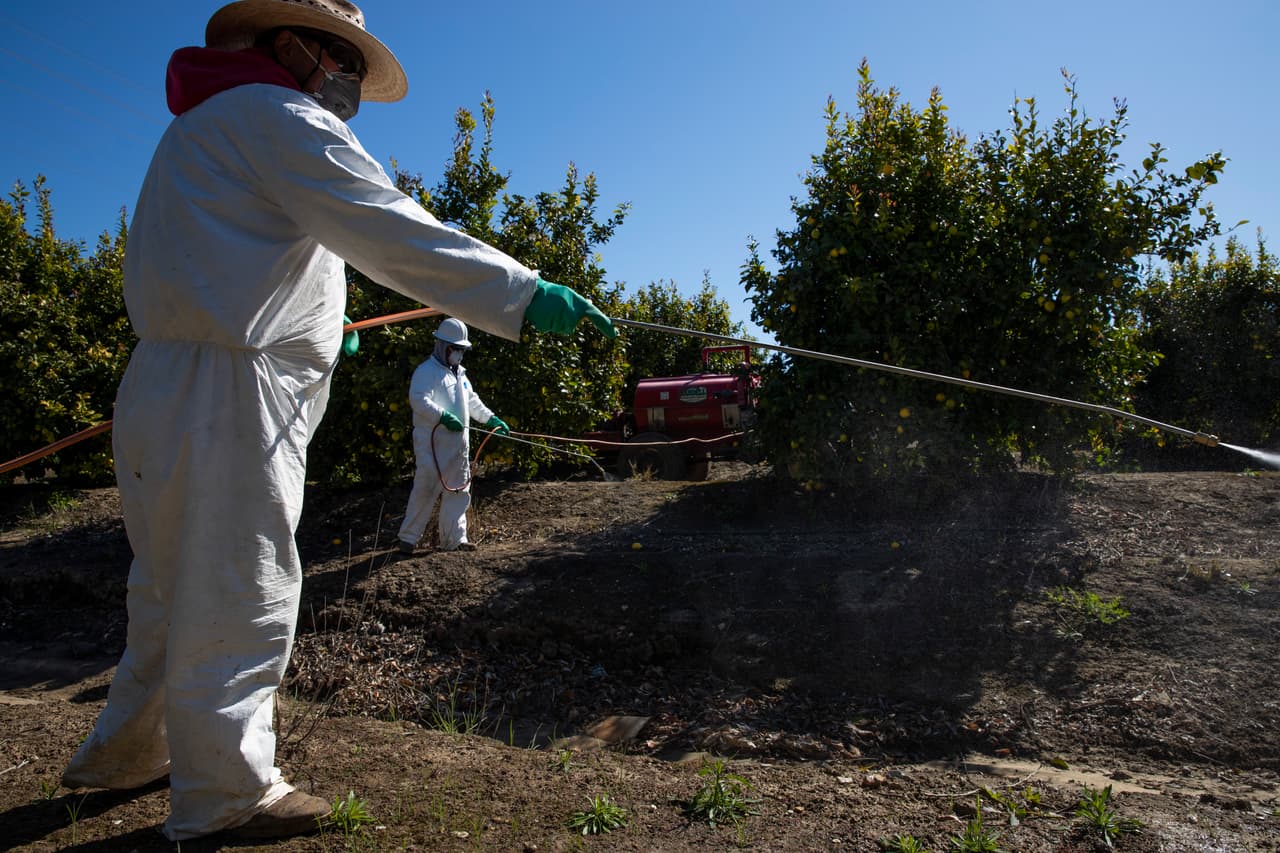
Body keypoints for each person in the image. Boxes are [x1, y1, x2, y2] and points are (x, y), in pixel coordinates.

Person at [59, 0, 615, 842]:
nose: (348, 77)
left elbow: (240, 257)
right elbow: (389, 228)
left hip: (167, 385)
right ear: (290, 44)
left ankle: (129, 753)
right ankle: (225, 796)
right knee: (240, 592)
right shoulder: (281, 116)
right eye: (340, 56)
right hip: (230, 398)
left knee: (170, 587)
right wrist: (522, 292)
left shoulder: (201, 128)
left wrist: (316, 324)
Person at [397, 318, 508, 555]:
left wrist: (491, 419)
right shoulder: (426, 372)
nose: (460, 353)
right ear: (444, 347)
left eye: (462, 349)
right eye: (456, 349)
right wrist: (443, 416)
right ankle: (408, 539)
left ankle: (454, 540)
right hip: (433, 446)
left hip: (458, 446)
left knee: (458, 491)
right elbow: (418, 399)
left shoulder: (461, 375)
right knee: (425, 489)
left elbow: (472, 402)